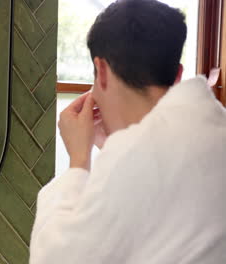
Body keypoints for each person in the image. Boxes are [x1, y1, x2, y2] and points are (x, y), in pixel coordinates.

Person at [30, 0, 226, 263]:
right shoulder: (209, 128)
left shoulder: (137, 157)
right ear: (178, 74)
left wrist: (79, 160)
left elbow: (54, 258)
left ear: (101, 71)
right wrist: (111, 147)